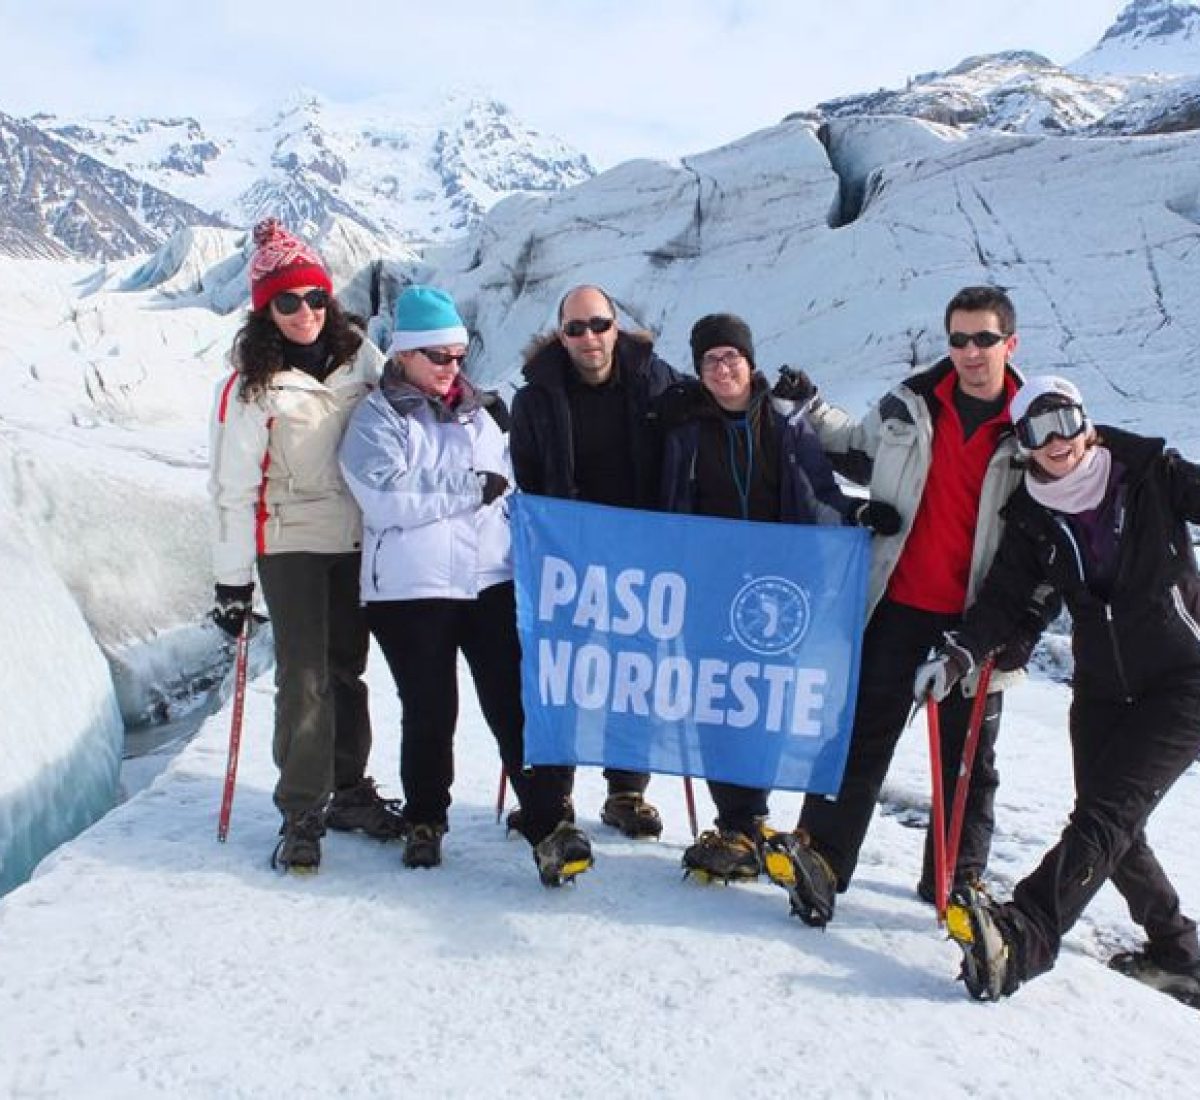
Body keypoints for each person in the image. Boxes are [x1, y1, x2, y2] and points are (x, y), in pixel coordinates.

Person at [761, 285, 1050, 926]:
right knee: (861, 738)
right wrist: (809, 407)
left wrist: (1027, 620)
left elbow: (1055, 533)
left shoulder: (1034, 427)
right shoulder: (912, 403)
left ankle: (955, 884)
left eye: (984, 339)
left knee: (966, 760)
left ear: (1011, 342)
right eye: (959, 339)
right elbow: (858, 444)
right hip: (897, 602)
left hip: (978, 620)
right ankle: (824, 862)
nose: (971, 352)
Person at [915, 376, 1200, 1005]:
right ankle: (1179, 948)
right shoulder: (1034, 518)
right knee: (1113, 824)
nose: (1058, 440)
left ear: (1087, 421)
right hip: (1100, 687)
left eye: (1066, 419)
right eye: (1040, 430)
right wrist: (961, 653)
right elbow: (1001, 601)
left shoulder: (1154, 476)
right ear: (1024, 444)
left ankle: (1022, 937)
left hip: (1182, 683)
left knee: (1104, 818)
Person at [338, 286, 591, 885]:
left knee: (514, 703)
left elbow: (506, 483)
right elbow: (384, 496)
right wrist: (468, 489)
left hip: (489, 578)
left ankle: (547, 823)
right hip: (411, 588)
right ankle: (427, 818)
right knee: (430, 709)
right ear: (404, 355)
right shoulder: (376, 417)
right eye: (439, 357)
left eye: (459, 355)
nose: (453, 368)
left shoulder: (482, 412)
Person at [659, 313, 901, 882]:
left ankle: (754, 814)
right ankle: (737, 822)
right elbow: (668, 502)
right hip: (709, 590)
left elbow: (818, 488)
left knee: (762, 703)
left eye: (731, 357)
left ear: (750, 360)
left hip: (779, 591)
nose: (723, 369)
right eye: (710, 361)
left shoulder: (786, 422)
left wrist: (857, 512)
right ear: (699, 370)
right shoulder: (686, 429)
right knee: (717, 704)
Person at [208, 217, 404, 874]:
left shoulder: (359, 358)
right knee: (305, 674)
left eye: (315, 296)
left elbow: (407, 407)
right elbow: (233, 490)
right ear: (266, 309)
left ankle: (348, 790)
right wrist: (232, 583)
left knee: (347, 667)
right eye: (287, 301)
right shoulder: (251, 386)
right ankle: (301, 810)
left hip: (354, 538)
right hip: (288, 540)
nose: (305, 312)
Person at [510, 284, 681, 839]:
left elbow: (703, 427)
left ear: (617, 325)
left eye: (599, 324)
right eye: (576, 328)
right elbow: (531, 481)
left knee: (635, 674)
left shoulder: (658, 380)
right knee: (563, 670)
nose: (589, 337)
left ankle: (626, 791)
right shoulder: (534, 398)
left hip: (644, 556)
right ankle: (554, 794)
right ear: (560, 334)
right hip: (571, 559)